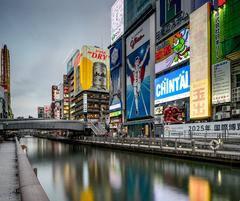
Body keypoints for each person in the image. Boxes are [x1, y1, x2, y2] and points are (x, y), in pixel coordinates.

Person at [127, 45, 150, 114]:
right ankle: (137, 109)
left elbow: (144, 58)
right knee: (135, 96)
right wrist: (127, 60)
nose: (138, 62)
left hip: (139, 82)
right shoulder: (133, 69)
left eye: (138, 61)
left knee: (138, 90)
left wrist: (147, 50)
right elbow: (129, 65)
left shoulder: (140, 67)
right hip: (134, 83)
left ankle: (139, 92)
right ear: (135, 62)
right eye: (137, 61)